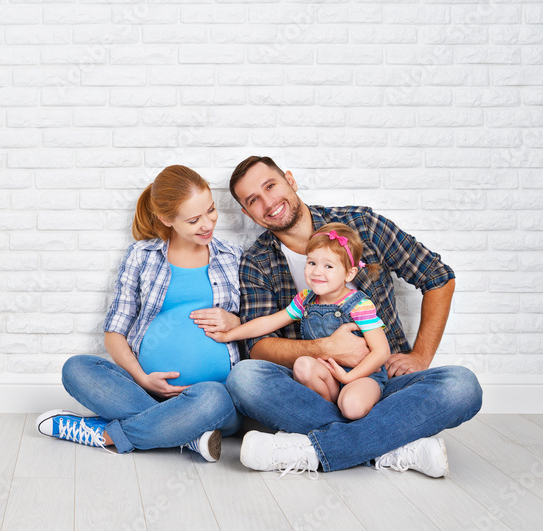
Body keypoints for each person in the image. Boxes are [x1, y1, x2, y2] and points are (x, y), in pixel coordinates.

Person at [224, 156, 482, 477]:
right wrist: (325, 348)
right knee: (244, 378)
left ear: (290, 180)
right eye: (253, 200)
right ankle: (394, 445)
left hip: (382, 383)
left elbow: (437, 276)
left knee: (462, 386)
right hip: (316, 391)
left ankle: (311, 450)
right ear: (249, 214)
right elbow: (259, 346)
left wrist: (420, 355)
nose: (268, 202)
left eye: (271, 185)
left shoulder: (362, 225)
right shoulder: (256, 262)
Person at [36, 165, 243, 461]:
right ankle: (187, 434)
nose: (207, 223)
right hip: (144, 392)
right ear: (166, 219)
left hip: (214, 399)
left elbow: (256, 325)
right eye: (194, 219)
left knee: (213, 398)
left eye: (211, 210)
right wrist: (142, 379)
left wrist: (235, 322)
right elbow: (114, 333)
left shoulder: (232, 256)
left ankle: (109, 436)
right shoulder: (142, 256)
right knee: (76, 368)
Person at [212, 223, 390, 421]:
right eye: (312, 263)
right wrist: (229, 335)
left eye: (328, 266)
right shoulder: (305, 299)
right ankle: (329, 418)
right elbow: (268, 323)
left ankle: (337, 419)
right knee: (303, 365)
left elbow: (382, 351)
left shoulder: (359, 304)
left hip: (361, 375)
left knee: (352, 407)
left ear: (349, 273)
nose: (317, 272)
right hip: (327, 376)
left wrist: (348, 377)